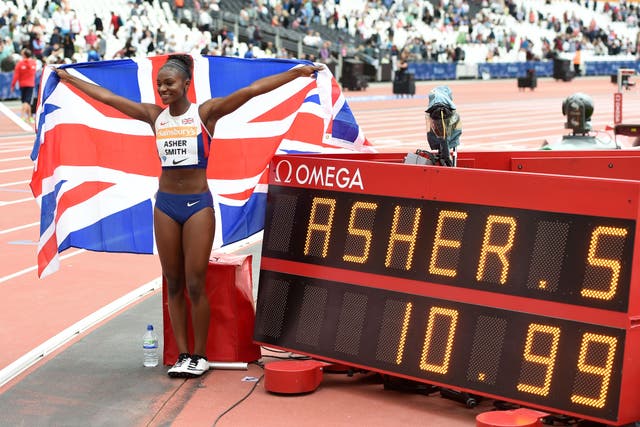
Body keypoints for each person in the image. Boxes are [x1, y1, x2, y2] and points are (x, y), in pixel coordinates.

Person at [53, 54, 323, 378]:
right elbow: (109, 99)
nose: (163, 89)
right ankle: (183, 354)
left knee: (196, 283)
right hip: (165, 204)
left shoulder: (205, 114)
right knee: (174, 282)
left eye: (169, 83)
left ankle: (200, 355)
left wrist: (296, 74)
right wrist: (69, 79)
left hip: (197, 205)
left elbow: (252, 91)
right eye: (159, 85)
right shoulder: (154, 116)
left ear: (186, 84)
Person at [10, 48, 37, 123]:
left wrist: (13, 85)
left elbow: (16, 76)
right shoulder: (33, 63)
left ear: (24, 55)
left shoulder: (20, 64)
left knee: (25, 101)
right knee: (27, 102)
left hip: (23, 85)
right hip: (30, 84)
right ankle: (29, 117)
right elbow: (34, 72)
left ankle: (22, 116)